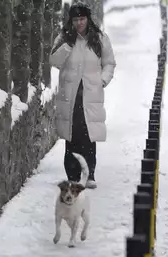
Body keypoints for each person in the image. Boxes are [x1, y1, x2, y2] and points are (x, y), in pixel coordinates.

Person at [50, 2, 116, 189]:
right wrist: (67, 45)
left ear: (88, 19)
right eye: (76, 19)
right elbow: (53, 60)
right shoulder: (64, 38)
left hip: (90, 94)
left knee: (88, 135)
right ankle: (72, 175)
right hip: (70, 96)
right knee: (71, 136)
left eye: (82, 19)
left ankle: (89, 174)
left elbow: (109, 63)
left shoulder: (99, 39)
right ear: (71, 21)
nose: (79, 23)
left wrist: (102, 80)